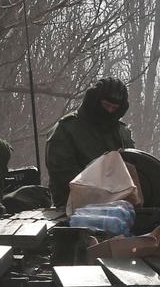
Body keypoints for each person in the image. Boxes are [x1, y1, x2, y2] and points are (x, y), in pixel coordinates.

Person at [45, 77, 136, 207]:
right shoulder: (66, 129)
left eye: (114, 107)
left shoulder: (122, 133)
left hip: (120, 205)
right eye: (106, 105)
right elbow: (63, 176)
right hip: (73, 207)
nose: (109, 111)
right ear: (94, 101)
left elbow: (133, 167)